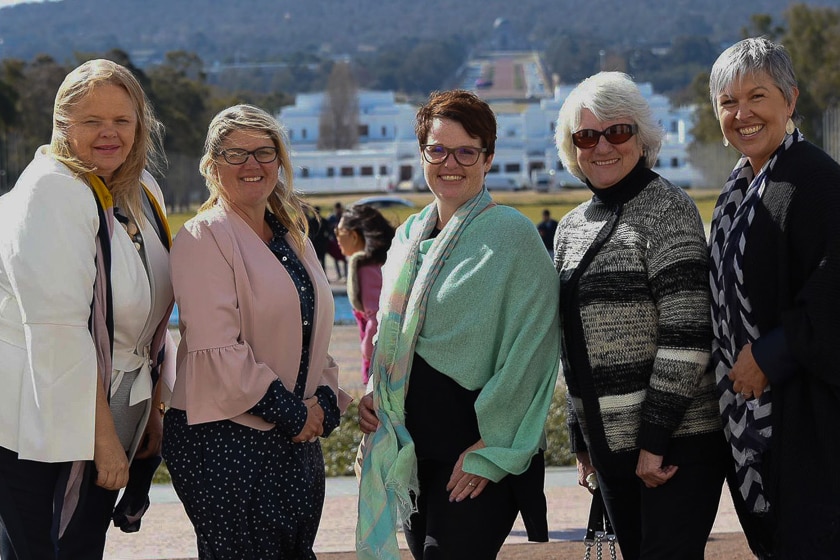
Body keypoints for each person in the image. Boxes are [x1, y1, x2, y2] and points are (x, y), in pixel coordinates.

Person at [355, 90, 561, 559]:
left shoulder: (511, 234)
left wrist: (492, 448)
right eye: (438, 150)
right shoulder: (408, 236)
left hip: (476, 452)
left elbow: (534, 349)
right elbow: (392, 333)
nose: (452, 162)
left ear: (488, 158)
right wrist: (374, 390)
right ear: (422, 155)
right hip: (410, 455)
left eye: (467, 151)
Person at [0, 59, 173, 559]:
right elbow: (59, 334)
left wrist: (148, 415)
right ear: (61, 126)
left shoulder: (141, 190)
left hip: (112, 407)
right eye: (91, 121)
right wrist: (103, 441)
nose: (109, 134)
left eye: (122, 120)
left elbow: (152, 321)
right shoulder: (51, 191)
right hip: (42, 424)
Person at [162, 104, 352, 560]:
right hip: (224, 443)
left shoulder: (292, 236)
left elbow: (313, 338)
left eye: (264, 152)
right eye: (235, 154)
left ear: (281, 161)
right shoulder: (201, 238)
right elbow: (219, 350)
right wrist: (296, 414)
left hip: (293, 441)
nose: (252, 165)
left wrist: (323, 403)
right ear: (211, 166)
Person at [552, 71, 726, 560]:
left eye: (617, 131)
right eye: (586, 135)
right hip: (612, 451)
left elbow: (689, 335)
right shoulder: (569, 228)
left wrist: (655, 440)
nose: (602, 145)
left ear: (642, 137)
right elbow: (570, 340)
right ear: (573, 146)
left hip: (674, 446)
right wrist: (579, 437)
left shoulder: (668, 208)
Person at [707, 38, 840, 558]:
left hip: (811, 418)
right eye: (728, 102)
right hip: (756, 418)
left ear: (790, 100)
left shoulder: (817, 180)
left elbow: (835, 289)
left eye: (757, 96)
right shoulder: (742, 188)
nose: (742, 114)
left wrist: (770, 355)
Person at [334, 203, 395, 385]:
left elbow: (376, 316)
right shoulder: (382, 263)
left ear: (353, 235)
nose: (336, 238)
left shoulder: (365, 269)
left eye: (339, 232)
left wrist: (366, 349)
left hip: (378, 360)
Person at [326, 201, 347, 280]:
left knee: (344, 258)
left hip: (343, 239)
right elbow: (328, 228)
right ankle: (339, 275)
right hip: (334, 240)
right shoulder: (332, 217)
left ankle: (345, 275)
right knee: (336, 258)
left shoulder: (343, 217)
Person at [307, 205, 330, 269]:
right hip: (322, 242)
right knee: (323, 260)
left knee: (316, 261)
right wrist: (326, 240)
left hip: (315, 242)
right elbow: (328, 231)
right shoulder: (324, 220)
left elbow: (309, 232)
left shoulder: (311, 221)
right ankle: (324, 275)